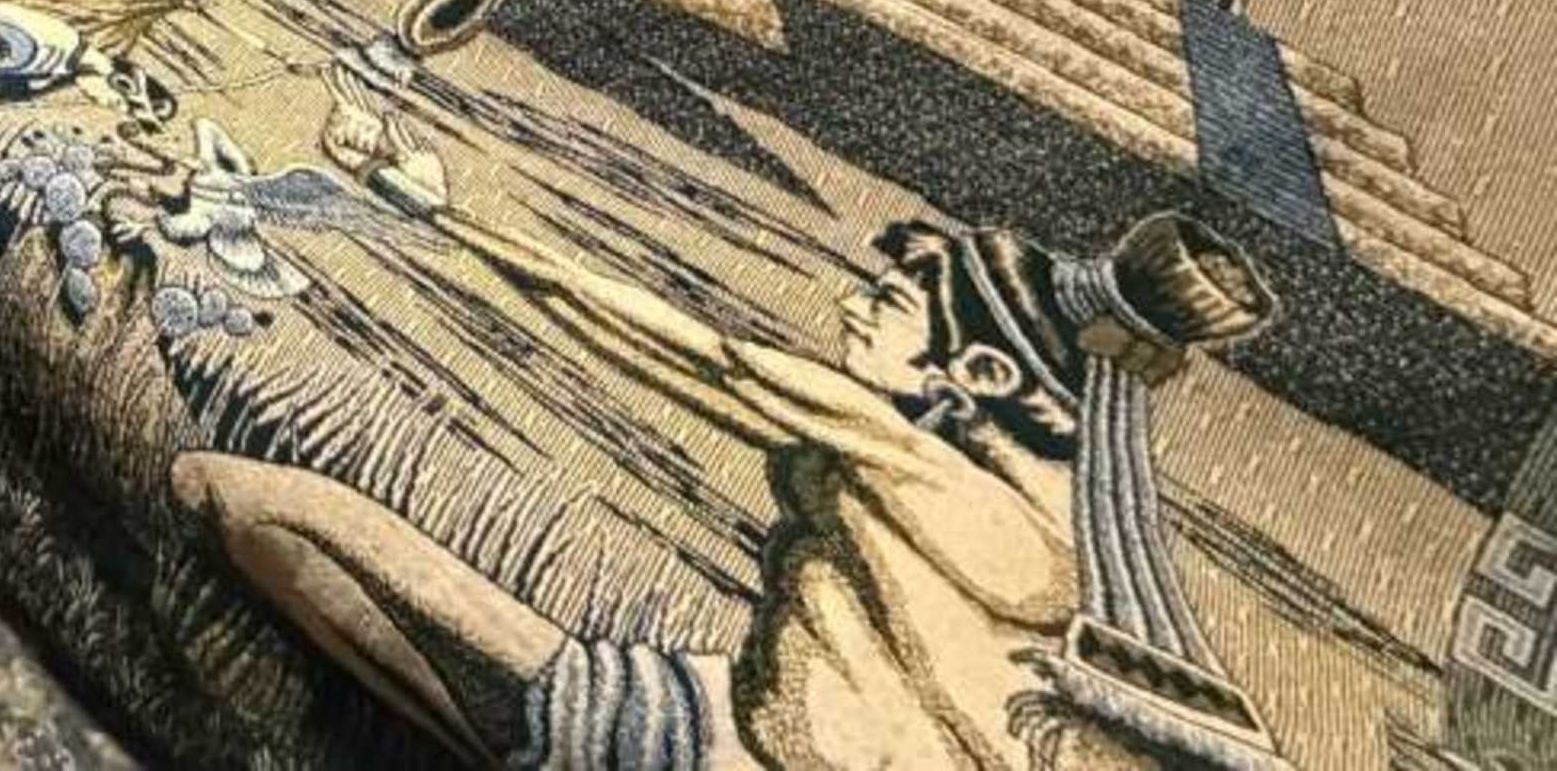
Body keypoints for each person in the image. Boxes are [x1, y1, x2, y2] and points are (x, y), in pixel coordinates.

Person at [176, 194, 1278, 771]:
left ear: (980, 371)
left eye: (893, 300)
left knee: (232, 497)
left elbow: (711, 363)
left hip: (717, 751)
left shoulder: (940, 473)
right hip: (700, 709)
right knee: (238, 501)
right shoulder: (1034, 508)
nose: (857, 301)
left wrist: (441, 217)